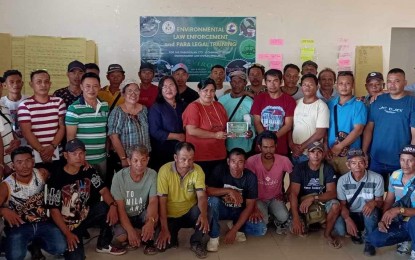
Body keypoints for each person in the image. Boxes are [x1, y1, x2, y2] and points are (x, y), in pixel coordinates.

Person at [46, 138, 126, 259]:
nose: (78, 157)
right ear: (66, 155)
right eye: (74, 154)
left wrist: (113, 206)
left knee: (106, 207)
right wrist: (67, 234)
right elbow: (53, 210)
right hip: (67, 224)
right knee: (76, 257)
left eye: (81, 153)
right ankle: (63, 243)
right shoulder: (56, 177)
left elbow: (103, 190)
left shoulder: (88, 170)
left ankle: (103, 244)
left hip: (84, 216)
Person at [0, 146, 67, 260]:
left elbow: (63, 176)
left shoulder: (42, 173)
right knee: (15, 257)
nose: (24, 166)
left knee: (60, 248)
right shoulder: (6, 185)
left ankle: (35, 243)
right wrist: (2, 210)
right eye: (19, 162)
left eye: (27, 161)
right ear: (13, 165)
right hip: (19, 226)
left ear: (33, 161)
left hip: (43, 223)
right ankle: (9, 241)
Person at [363, 68, 415, 189]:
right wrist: (364, 152)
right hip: (376, 158)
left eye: (397, 81)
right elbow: (369, 129)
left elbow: (414, 135)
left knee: (397, 196)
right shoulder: (377, 100)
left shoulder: (411, 103)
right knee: (373, 195)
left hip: (400, 161)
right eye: (389, 81)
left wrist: (410, 157)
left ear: (405, 83)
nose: (392, 85)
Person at [156, 142, 209, 259]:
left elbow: (201, 196)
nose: (187, 163)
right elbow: (162, 202)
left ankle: (196, 242)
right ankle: (172, 235)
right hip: (170, 215)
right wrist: (164, 229)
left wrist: (204, 214)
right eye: (183, 159)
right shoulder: (164, 170)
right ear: (175, 157)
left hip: (189, 212)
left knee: (205, 212)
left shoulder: (197, 170)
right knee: (161, 246)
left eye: (190, 159)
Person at [206, 148, 261, 252]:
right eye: (233, 161)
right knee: (212, 201)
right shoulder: (220, 170)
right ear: (228, 162)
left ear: (245, 163)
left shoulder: (250, 177)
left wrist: (234, 230)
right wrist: (230, 191)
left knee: (259, 230)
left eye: (240, 162)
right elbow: (207, 191)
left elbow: (250, 206)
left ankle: (235, 224)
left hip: (238, 211)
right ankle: (214, 236)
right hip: (222, 209)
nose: (236, 166)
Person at [289, 142, 342, 249]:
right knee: (298, 230)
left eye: (319, 152)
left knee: (337, 213)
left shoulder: (327, 168)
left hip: (320, 202)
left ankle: (327, 234)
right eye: (313, 152)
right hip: (303, 205)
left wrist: (313, 198)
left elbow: (332, 193)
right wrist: (295, 218)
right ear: (308, 154)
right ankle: (312, 222)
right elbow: (293, 194)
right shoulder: (299, 168)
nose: (316, 155)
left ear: (323, 155)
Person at [368, 145, 415, 258]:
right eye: (402, 160)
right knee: (375, 238)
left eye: (410, 160)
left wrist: (399, 210)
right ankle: (408, 238)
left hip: (412, 218)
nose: (405, 164)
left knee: (413, 223)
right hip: (401, 219)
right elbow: (389, 200)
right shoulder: (395, 175)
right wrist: (383, 219)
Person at [111, 145, 158, 255]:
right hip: (125, 216)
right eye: (135, 160)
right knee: (122, 236)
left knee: (155, 217)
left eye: (143, 160)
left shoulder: (152, 174)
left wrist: (150, 221)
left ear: (148, 160)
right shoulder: (118, 177)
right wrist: (131, 231)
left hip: (141, 213)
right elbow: (121, 209)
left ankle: (141, 236)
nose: (139, 165)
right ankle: (139, 235)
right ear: (129, 161)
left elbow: (153, 202)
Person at [337, 148, 384, 256]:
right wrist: (348, 220)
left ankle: (369, 241)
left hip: (368, 213)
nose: (357, 166)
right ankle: (357, 231)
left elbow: (381, 202)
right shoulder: (342, 181)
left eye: (360, 162)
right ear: (348, 165)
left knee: (369, 211)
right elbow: (342, 205)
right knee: (340, 229)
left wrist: (374, 203)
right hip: (352, 213)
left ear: (366, 164)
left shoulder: (377, 178)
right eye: (353, 163)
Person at [18, 69, 65, 172]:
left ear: (50, 83)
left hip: (56, 153)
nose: (43, 85)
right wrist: (42, 151)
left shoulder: (59, 102)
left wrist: (52, 147)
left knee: (56, 184)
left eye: (46, 81)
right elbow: (26, 132)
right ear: (31, 84)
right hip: (34, 156)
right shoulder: (25, 105)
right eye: (39, 82)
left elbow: (62, 128)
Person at [246, 131, 293, 234]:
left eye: (271, 147)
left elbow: (294, 179)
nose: (268, 150)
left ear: (276, 146)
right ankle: (268, 216)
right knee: (263, 221)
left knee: (284, 216)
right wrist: (253, 207)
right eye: (265, 147)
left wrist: (286, 194)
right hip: (257, 199)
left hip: (275, 198)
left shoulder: (284, 160)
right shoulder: (251, 162)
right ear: (259, 147)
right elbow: (247, 187)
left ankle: (273, 216)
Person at [182, 78, 228, 179]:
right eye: (205, 90)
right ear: (199, 91)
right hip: (200, 156)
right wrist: (215, 135)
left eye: (212, 91)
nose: (209, 93)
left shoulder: (219, 106)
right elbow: (191, 130)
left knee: (217, 187)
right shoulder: (193, 107)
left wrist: (238, 132)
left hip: (219, 155)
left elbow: (226, 127)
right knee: (201, 188)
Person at [66, 72, 109, 179]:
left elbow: (107, 131)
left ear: (99, 87)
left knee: (102, 189)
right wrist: (81, 160)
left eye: (95, 86)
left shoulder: (105, 106)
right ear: (81, 87)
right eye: (87, 86)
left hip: (102, 158)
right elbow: (71, 138)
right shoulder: (74, 108)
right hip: (84, 161)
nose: (92, 89)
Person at [327, 71, 367, 176]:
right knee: (330, 187)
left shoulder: (359, 105)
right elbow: (325, 129)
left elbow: (358, 130)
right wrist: (327, 148)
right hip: (330, 153)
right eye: (341, 83)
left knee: (349, 187)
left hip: (350, 156)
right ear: (336, 85)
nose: (344, 87)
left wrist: (339, 147)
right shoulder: (330, 104)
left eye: (348, 83)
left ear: (353, 85)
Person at [108, 79, 151, 175]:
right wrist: (123, 158)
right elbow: (113, 137)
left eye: (136, 90)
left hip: (144, 158)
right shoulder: (118, 111)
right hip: (127, 158)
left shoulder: (144, 109)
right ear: (123, 94)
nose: (133, 94)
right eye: (129, 91)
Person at [251, 69, 296, 156]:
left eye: (275, 81)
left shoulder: (289, 100)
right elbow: (257, 122)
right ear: (265, 82)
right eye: (269, 81)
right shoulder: (259, 98)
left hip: (281, 147)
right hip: (261, 146)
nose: (272, 84)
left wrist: (272, 139)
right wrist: (265, 140)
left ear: (281, 81)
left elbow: (288, 125)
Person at [290, 73, 329, 164]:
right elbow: (290, 128)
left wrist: (302, 147)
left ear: (317, 86)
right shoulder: (296, 103)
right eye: (304, 85)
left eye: (311, 85)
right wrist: (291, 145)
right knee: (295, 178)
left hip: (311, 154)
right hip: (294, 152)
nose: (307, 87)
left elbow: (320, 133)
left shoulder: (322, 106)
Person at [148, 76, 186, 171]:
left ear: (176, 88)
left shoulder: (183, 105)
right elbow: (155, 131)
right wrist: (178, 136)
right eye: (164, 87)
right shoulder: (156, 107)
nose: (168, 89)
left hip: (182, 150)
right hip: (162, 151)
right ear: (160, 90)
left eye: (171, 85)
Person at [218, 70, 254, 153]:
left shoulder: (250, 102)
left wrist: (251, 133)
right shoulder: (222, 100)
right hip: (226, 144)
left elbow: (254, 123)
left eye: (240, 81)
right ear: (230, 83)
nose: (236, 84)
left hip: (245, 145)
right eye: (233, 81)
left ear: (245, 83)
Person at [1, 70, 28, 145]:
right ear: (5, 85)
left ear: (22, 84)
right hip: (9, 144)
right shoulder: (1, 103)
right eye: (11, 82)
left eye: (18, 81)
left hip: (28, 144)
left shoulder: (29, 101)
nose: (15, 84)